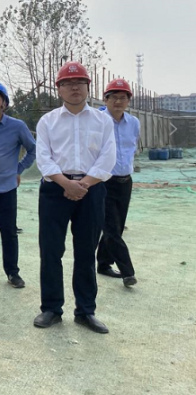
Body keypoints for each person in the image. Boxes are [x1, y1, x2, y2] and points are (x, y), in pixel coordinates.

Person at [33, 62, 116, 334]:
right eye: (67, 83)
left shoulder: (103, 121)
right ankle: (51, 308)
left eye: (79, 82)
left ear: (88, 87)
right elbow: (43, 158)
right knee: (51, 251)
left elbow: (107, 158)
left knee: (86, 252)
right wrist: (66, 183)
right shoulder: (48, 121)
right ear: (59, 89)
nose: (74, 87)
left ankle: (85, 311)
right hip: (54, 190)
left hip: (91, 190)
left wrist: (84, 184)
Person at [0, 83, 36, 288]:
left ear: (4, 103)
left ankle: (12, 272)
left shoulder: (17, 126)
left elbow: (33, 150)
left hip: (6, 186)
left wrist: (18, 170)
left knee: (8, 230)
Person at [97, 79, 140, 287]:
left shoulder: (134, 123)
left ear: (128, 101)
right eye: (113, 97)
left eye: (123, 97)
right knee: (111, 228)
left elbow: (132, 148)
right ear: (105, 100)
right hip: (103, 181)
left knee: (117, 226)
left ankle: (103, 263)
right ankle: (127, 272)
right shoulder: (97, 120)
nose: (118, 101)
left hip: (125, 181)